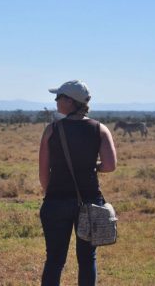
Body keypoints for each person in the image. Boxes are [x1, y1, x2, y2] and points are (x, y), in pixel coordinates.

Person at [38, 80, 116, 286]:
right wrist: (93, 166)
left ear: (69, 102)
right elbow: (109, 165)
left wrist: (51, 195)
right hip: (89, 202)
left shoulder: (51, 130)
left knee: (54, 260)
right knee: (87, 259)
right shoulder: (100, 129)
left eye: (58, 97)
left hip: (56, 202)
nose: (55, 101)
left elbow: (43, 172)